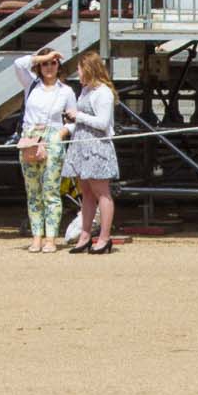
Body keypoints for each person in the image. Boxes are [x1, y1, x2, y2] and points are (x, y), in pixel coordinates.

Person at [13, 47, 75, 252]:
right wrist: (43, 56)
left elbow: (74, 119)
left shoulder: (66, 91)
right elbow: (19, 64)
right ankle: (36, 236)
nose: (49, 67)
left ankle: (51, 237)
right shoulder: (31, 85)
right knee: (33, 191)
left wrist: (61, 134)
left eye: (53, 63)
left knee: (51, 190)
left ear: (59, 66)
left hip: (53, 138)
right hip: (30, 136)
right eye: (45, 63)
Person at [60, 49, 118, 255]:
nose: (78, 73)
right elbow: (81, 118)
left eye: (79, 69)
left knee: (101, 191)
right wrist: (71, 122)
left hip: (97, 147)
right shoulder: (85, 91)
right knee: (86, 192)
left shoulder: (103, 92)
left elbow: (102, 123)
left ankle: (104, 237)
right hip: (81, 145)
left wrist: (79, 116)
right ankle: (85, 235)